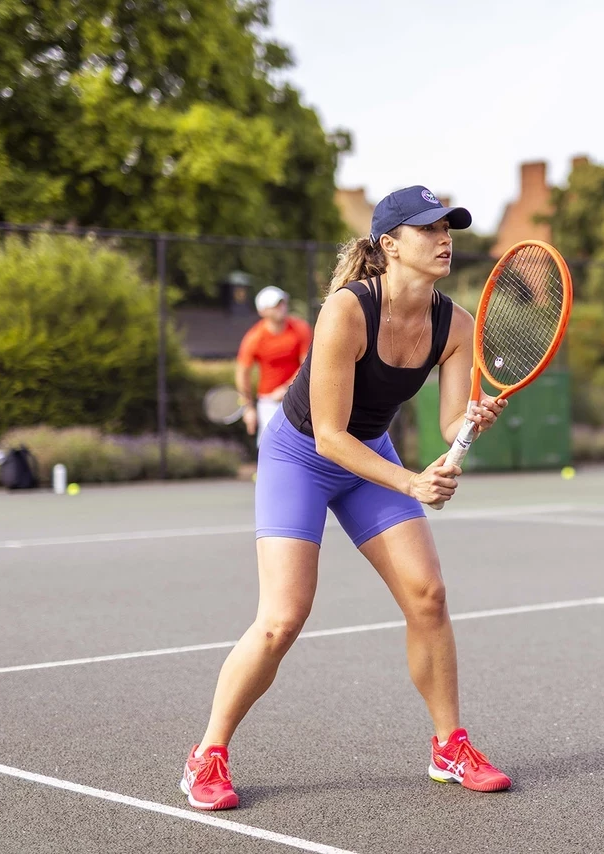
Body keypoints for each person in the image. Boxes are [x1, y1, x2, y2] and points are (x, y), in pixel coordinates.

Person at [181, 186, 511, 810]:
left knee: (428, 595)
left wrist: (472, 420)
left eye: (449, 229)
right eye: (428, 230)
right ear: (389, 246)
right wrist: (413, 482)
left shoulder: (456, 324)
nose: (445, 239)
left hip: (368, 454)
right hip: (301, 455)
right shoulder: (346, 311)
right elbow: (330, 436)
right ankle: (208, 756)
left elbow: (447, 426)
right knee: (283, 618)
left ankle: (449, 746)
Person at [236, 286, 312, 442]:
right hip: (268, 402)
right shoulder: (254, 338)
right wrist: (248, 408)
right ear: (262, 311)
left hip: (299, 398)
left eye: (282, 303)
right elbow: (242, 373)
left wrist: (286, 388)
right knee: (269, 447)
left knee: (300, 445)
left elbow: (308, 364)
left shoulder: (301, 328)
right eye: (275, 305)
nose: (281, 307)